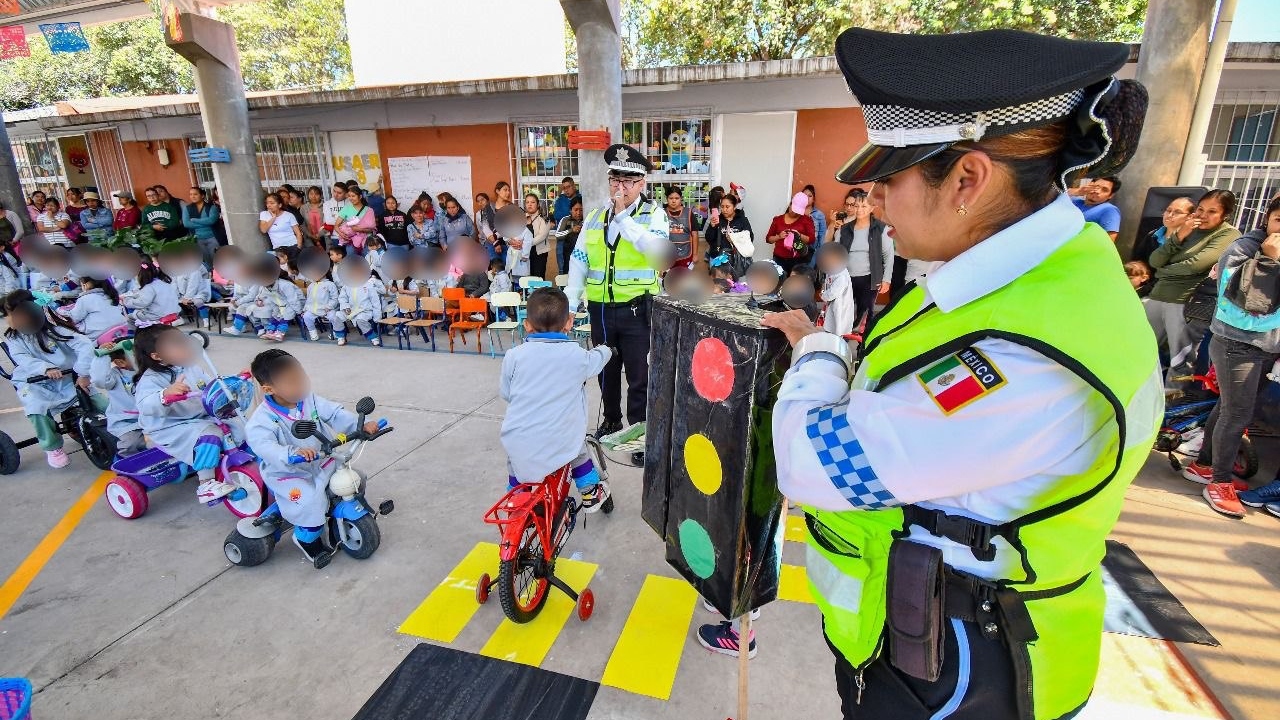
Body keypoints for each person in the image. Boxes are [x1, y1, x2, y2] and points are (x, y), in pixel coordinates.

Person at [745, 27, 1162, 720]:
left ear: (968, 177)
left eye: (889, 178)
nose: (873, 202)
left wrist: (818, 352)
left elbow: (810, 461)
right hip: (943, 636)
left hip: (958, 672)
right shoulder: (1044, 277)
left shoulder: (1026, 362)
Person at [565, 144, 671, 462]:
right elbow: (579, 260)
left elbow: (657, 253)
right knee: (606, 371)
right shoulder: (596, 217)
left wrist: (625, 219)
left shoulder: (654, 215)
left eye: (628, 181)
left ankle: (639, 434)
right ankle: (611, 420)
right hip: (600, 309)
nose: (620, 187)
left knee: (639, 375)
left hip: (637, 310)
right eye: (615, 179)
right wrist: (570, 306)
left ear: (641, 184)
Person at [1182, 195, 1280, 516]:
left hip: (1266, 347)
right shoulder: (1244, 247)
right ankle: (1219, 482)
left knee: (1228, 408)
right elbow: (1239, 303)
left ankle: (1205, 465)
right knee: (1238, 414)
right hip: (1236, 344)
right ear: (1267, 219)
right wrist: (1270, 261)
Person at [245, 348, 379, 562]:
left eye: (301, 377)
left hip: (322, 459)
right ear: (269, 389)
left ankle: (339, 523)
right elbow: (263, 446)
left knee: (356, 479)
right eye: (291, 382)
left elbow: (334, 413)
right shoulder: (262, 421)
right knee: (311, 502)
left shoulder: (310, 400)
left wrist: (359, 424)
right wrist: (291, 453)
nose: (300, 385)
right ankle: (307, 539)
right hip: (289, 472)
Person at [500, 287, 612, 508]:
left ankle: (517, 498)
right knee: (577, 449)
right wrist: (607, 350)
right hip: (561, 436)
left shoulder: (514, 356)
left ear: (527, 326)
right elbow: (596, 360)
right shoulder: (577, 356)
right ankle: (590, 492)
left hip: (520, 436)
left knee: (515, 459)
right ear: (569, 323)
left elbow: (506, 392)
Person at [133, 323, 245, 502]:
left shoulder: (192, 368)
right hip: (168, 427)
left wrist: (232, 382)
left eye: (184, 342)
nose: (185, 347)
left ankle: (237, 461)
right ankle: (206, 484)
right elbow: (145, 405)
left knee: (237, 426)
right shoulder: (151, 379)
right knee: (211, 433)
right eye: (176, 345)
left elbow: (211, 387)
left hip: (198, 416)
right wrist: (165, 395)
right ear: (157, 356)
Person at [1, 292, 98, 468]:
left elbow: (84, 345)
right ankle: (52, 447)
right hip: (35, 381)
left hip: (69, 377)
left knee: (102, 404)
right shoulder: (13, 338)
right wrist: (45, 368)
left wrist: (83, 373)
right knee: (36, 408)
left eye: (10, 314)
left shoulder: (55, 328)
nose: (7, 319)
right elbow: (22, 359)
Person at [1146, 189, 1240, 370]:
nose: (1203, 215)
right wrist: (1180, 235)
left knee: (1180, 359)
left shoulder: (1228, 235)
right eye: (1200, 209)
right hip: (1158, 295)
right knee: (1139, 346)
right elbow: (1155, 260)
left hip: (1186, 303)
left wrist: (1161, 272)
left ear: (1225, 215)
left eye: (1212, 212)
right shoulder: (1189, 228)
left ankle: (1175, 396)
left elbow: (1195, 265)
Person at [828, 188, 893, 330]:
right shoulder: (844, 229)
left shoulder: (881, 229)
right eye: (857, 206)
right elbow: (835, 253)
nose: (860, 209)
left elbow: (888, 255)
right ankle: (843, 339)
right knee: (844, 310)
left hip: (869, 278)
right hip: (846, 277)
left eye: (864, 206)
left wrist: (886, 280)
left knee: (866, 311)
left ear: (872, 207)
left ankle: (863, 343)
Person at [89, 345, 145, 458]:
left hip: (157, 417)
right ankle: (128, 465)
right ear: (120, 362)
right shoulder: (114, 376)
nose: (144, 357)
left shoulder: (151, 371)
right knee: (131, 444)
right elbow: (99, 380)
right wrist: (102, 356)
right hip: (129, 422)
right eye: (137, 356)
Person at [68, 271, 129, 345]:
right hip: (120, 331)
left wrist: (63, 313)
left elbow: (73, 318)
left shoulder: (85, 299)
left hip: (98, 336)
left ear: (87, 285)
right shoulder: (111, 295)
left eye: (82, 285)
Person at [336, 255, 384, 346]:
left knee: (360, 319)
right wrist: (345, 307)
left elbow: (375, 302)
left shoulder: (368, 285)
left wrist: (377, 316)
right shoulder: (347, 285)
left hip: (364, 310)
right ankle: (341, 337)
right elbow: (342, 298)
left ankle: (373, 337)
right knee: (337, 316)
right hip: (350, 310)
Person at [1132, 196, 1194, 265]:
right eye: (1168, 210)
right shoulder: (1152, 235)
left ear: (1190, 217)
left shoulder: (1191, 241)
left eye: (1177, 212)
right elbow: (1137, 261)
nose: (1169, 215)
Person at [767, 193, 817, 275]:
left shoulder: (806, 220)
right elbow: (768, 239)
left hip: (798, 260)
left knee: (795, 285)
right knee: (778, 282)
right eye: (794, 210)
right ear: (790, 205)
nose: (795, 213)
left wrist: (799, 235)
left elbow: (811, 239)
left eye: (798, 212)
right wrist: (779, 237)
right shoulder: (778, 220)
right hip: (779, 258)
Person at [122, 260, 181, 327]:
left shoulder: (149, 287)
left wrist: (125, 301)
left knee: (130, 317)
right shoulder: (164, 283)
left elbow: (141, 303)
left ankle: (135, 336)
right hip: (173, 313)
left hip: (157, 316)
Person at [704, 193, 752, 275]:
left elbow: (750, 238)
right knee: (719, 284)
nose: (724, 210)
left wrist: (735, 239)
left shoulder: (742, 220)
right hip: (718, 258)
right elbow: (709, 239)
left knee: (734, 284)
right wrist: (712, 226)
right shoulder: (717, 219)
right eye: (722, 207)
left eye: (727, 206)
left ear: (734, 206)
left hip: (736, 259)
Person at [300, 250, 342, 341]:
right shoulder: (311, 286)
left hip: (327, 308)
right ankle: (313, 332)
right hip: (313, 308)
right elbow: (309, 299)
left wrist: (329, 306)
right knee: (307, 317)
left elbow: (335, 298)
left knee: (333, 317)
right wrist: (305, 309)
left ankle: (335, 332)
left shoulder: (330, 284)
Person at [817, 242, 856, 337]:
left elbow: (833, 293)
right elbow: (826, 284)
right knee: (831, 326)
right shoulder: (832, 270)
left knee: (838, 328)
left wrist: (823, 295)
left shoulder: (841, 275)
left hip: (840, 306)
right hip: (832, 305)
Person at [1067, 176, 1122, 241]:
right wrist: (1077, 192)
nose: (1097, 191)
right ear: (1090, 185)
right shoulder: (1074, 200)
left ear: (1110, 195)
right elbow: (1055, 195)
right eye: (1096, 187)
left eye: (1104, 190)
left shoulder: (1109, 210)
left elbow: (1109, 241)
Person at [183, 187, 221, 268]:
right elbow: (186, 223)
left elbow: (211, 220)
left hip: (213, 237)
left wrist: (194, 220)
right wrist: (205, 223)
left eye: (195, 194)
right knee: (206, 261)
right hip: (198, 238)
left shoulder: (211, 207)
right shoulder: (187, 208)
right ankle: (210, 278)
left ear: (202, 195)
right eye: (191, 194)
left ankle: (219, 277)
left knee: (216, 259)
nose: (192, 196)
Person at [663, 188, 698, 270]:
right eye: (671, 198)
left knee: (684, 279)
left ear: (681, 199)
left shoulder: (689, 213)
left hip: (685, 254)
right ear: (666, 199)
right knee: (668, 279)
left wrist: (695, 254)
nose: (674, 201)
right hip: (667, 255)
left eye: (677, 198)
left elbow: (694, 234)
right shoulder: (662, 213)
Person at [523, 193, 552, 279]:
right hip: (525, 252)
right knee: (526, 278)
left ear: (538, 204)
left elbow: (542, 236)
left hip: (539, 253)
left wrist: (526, 243)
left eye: (533, 202)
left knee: (538, 277)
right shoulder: (521, 218)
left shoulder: (544, 218)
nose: (530, 204)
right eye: (527, 202)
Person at [554, 197, 585, 275]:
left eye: (581, 210)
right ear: (570, 210)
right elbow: (557, 235)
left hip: (582, 256)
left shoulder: (586, 220)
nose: (578, 213)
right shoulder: (565, 220)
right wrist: (571, 230)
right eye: (576, 210)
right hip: (568, 255)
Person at [803, 184, 828, 259]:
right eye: (804, 196)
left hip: (812, 250)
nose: (806, 198)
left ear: (813, 199)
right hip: (795, 249)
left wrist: (819, 252)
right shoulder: (795, 211)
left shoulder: (819, 215)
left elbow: (822, 235)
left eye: (810, 196)